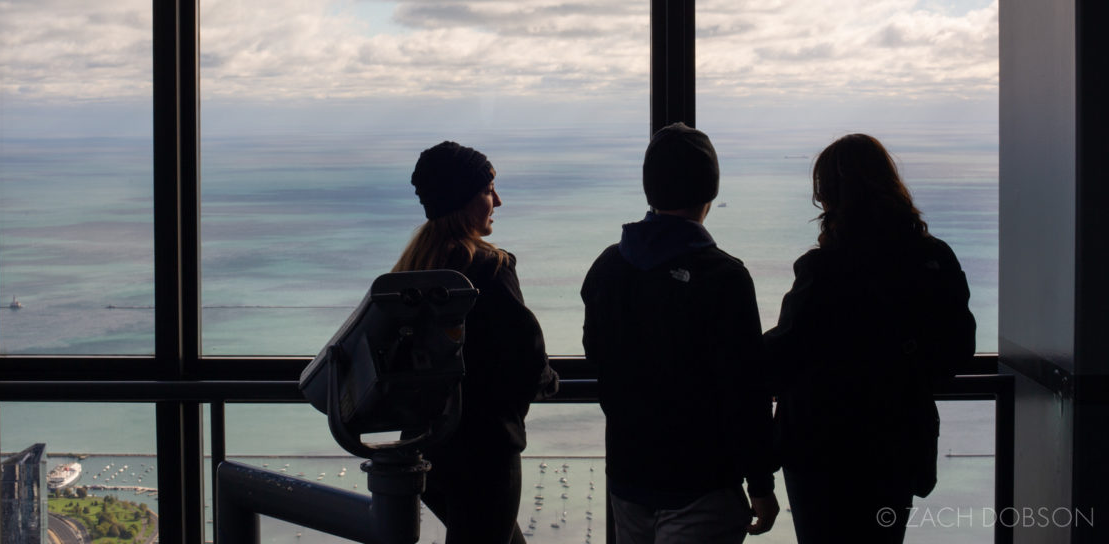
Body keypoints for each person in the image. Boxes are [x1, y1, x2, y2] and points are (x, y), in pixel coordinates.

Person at [763, 133, 977, 544]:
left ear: (830, 197)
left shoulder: (824, 271)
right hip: (896, 442)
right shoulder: (934, 259)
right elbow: (957, 350)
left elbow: (782, 355)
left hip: (820, 450)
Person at [581, 123, 780, 544]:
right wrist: (761, 485)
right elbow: (745, 391)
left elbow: (598, 357)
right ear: (709, 192)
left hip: (627, 477)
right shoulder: (724, 277)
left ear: (649, 189)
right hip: (703, 484)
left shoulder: (608, 268)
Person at [393, 140, 558, 544]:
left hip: (427, 450)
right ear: (463, 199)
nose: (497, 201)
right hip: (485, 455)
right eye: (487, 191)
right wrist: (548, 380)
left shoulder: (413, 268)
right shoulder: (488, 267)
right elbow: (527, 357)